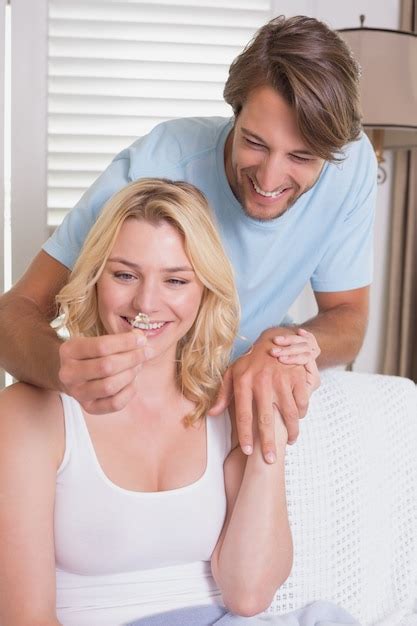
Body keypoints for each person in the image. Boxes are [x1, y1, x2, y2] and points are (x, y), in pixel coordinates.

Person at [0, 15, 377, 462]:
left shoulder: (350, 166)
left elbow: (348, 317)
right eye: (254, 142)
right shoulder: (157, 164)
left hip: (221, 414)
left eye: (300, 156)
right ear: (234, 112)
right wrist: (64, 369)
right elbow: (15, 312)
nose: (270, 178)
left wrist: (282, 347)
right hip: (137, 404)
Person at [0, 178, 358, 626]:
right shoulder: (30, 415)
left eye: (175, 280)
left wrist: (273, 418)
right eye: (125, 274)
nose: (146, 302)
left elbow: (248, 596)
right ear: (94, 279)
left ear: (205, 291)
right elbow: (23, 620)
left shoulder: (225, 406)